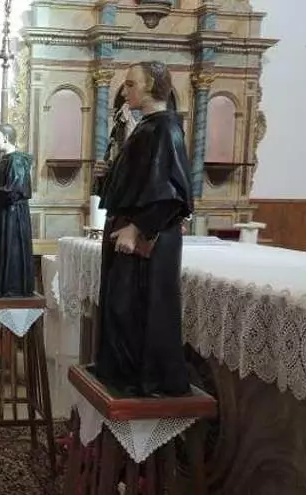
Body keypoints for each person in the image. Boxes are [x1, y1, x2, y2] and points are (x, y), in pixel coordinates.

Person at [96, 61, 193, 397]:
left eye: (131, 84)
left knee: (137, 309)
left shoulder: (165, 129)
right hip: (132, 234)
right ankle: (122, 374)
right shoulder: (148, 127)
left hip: (147, 240)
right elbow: (141, 183)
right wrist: (110, 175)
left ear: (151, 84)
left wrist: (137, 228)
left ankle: (143, 380)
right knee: (121, 307)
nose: (125, 91)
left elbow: (172, 194)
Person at [0, 123, 35, 298]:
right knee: (0, 248)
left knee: (11, 251)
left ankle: (10, 288)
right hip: (4, 214)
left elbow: (13, 192)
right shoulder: (6, 160)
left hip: (13, 218)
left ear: (6, 138)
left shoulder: (16, 161)